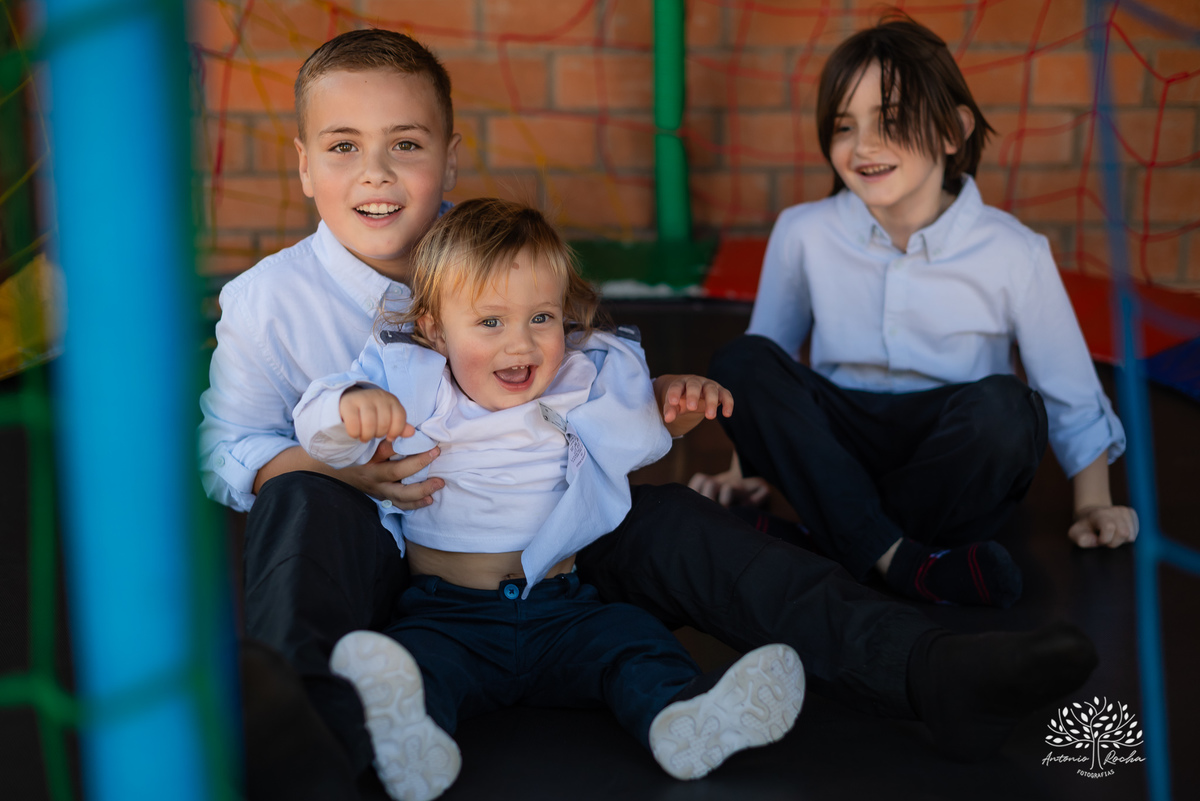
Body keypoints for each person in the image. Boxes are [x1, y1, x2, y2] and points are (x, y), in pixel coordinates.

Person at [198, 26, 1098, 796]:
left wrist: (653, 401)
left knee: (672, 517)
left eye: (406, 144)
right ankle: (309, 733)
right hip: (384, 556)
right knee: (300, 498)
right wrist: (331, 462)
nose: (378, 173)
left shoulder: (501, 256)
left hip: (548, 555)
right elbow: (229, 449)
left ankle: (928, 669)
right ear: (307, 165)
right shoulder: (269, 301)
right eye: (346, 146)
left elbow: (595, 352)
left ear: (449, 157)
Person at [293, 198, 807, 799]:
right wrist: (351, 404)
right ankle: (411, 737)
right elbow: (319, 423)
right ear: (435, 329)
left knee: (634, 644)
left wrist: (676, 403)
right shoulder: (412, 384)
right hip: (450, 614)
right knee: (416, 667)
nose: (522, 345)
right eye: (490, 323)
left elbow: (642, 431)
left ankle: (683, 718)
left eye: (541, 318)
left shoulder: (579, 382)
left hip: (563, 607)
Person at [690, 13, 1137, 609]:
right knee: (740, 363)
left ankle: (835, 540)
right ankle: (905, 561)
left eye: (890, 121)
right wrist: (744, 469)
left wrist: (1094, 504)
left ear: (953, 131)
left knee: (1009, 408)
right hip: (840, 441)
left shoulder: (1013, 250)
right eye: (844, 126)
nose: (864, 146)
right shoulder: (804, 233)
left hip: (946, 456)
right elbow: (768, 366)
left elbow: (1068, 389)